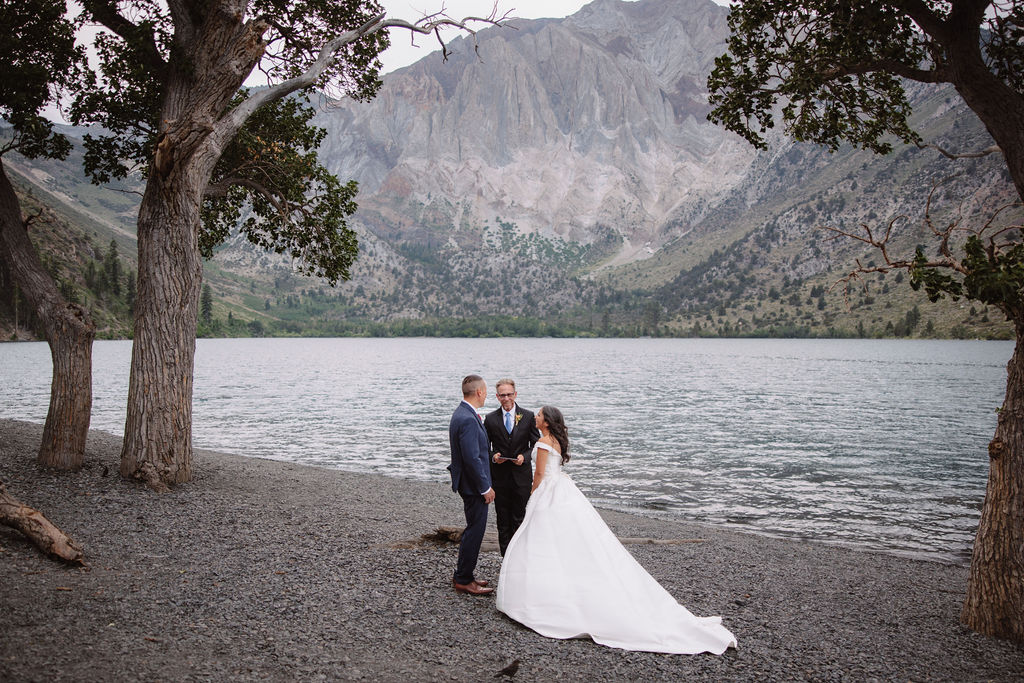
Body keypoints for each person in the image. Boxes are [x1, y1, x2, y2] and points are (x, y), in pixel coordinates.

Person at [495, 406, 738, 655]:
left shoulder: (545, 441)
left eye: (538, 415)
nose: (535, 417)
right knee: (561, 540)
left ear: (546, 421)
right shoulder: (556, 440)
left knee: (541, 541)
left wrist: (532, 497)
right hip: (561, 490)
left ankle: (542, 597)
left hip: (548, 492)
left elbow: (538, 475)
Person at [447, 374, 496, 596]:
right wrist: (485, 487)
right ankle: (464, 579)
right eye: (485, 391)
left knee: (473, 529)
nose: (486, 395)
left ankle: (463, 574)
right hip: (473, 486)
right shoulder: (466, 418)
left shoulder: (463, 413)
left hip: (469, 483)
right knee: (475, 531)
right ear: (478, 392)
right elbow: (471, 457)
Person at [483, 379, 540, 555]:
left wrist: (525, 456)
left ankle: (521, 555)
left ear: (515, 394)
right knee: (503, 519)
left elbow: (536, 445)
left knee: (520, 517)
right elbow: (485, 447)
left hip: (521, 477)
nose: (506, 398)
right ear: (497, 397)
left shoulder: (528, 416)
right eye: (502, 395)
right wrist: (494, 457)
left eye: (509, 394)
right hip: (500, 477)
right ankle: (505, 557)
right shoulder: (490, 419)